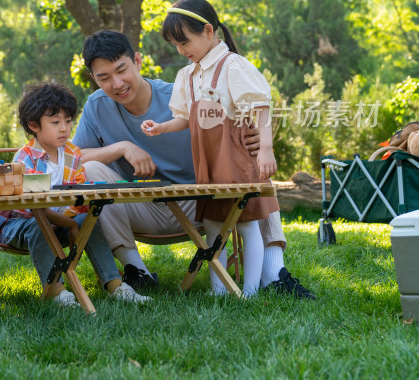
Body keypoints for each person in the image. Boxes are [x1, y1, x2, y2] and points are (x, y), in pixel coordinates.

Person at [72, 29, 316, 299]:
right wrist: (122, 147)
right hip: (139, 206)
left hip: (198, 202)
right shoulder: (96, 106)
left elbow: (231, 127)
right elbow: (72, 159)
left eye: (122, 70)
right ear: (93, 79)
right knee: (91, 170)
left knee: (253, 168)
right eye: (104, 78)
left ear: (138, 61)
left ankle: (274, 273)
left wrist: (255, 139)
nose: (117, 84)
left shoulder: (180, 94)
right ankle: (137, 271)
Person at [140, 0, 278, 297]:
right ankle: (220, 288)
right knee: (214, 224)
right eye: (175, 45)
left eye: (184, 42)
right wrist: (162, 127)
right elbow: (184, 117)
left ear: (207, 31)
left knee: (245, 223)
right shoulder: (187, 75)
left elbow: (261, 107)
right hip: (209, 164)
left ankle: (251, 291)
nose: (180, 50)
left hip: (237, 160)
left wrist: (266, 149)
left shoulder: (232, 66)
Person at [0, 82, 149, 305]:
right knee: (39, 225)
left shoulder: (72, 154)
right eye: (55, 122)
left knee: (90, 221)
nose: (64, 128)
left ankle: (115, 284)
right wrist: (69, 225)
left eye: (68, 121)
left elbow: (77, 196)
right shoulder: (25, 158)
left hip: (58, 222)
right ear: (34, 125)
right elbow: (35, 206)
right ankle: (55, 289)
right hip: (19, 226)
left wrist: (74, 218)